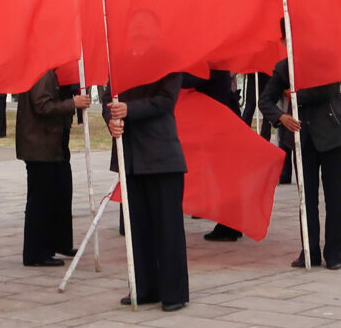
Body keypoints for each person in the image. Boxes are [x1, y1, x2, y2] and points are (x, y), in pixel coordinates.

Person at [104, 73, 189, 312]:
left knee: (167, 228)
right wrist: (111, 117)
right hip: (130, 156)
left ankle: (174, 292)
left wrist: (128, 109)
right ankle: (144, 287)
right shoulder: (120, 61)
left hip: (161, 157)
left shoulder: (167, 60)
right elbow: (107, 98)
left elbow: (165, 100)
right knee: (137, 228)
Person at [260, 20, 341, 269]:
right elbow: (265, 101)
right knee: (306, 199)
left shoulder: (325, 60)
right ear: (284, 42)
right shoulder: (284, 67)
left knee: (335, 198)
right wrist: (280, 117)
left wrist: (294, 94)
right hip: (301, 139)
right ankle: (309, 250)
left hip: (332, 137)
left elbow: (326, 90)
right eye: (288, 40)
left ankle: (335, 252)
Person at [17, 69, 90, 267]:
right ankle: (36, 253)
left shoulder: (49, 71)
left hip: (53, 143)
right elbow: (42, 106)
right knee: (41, 200)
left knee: (61, 193)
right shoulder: (41, 72)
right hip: (41, 145)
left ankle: (60, 242)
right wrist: (72, 104)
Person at [182, 70, 246, 242]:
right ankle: (234, 224)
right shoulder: (217, 61)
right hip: (222, 124)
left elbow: (189, 80)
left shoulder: (213, 64)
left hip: (222, 128)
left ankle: (229, 226)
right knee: (227, 178)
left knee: (225, 178)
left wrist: (168, 73)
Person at [242, 71, 273, 142]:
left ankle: (265, 139)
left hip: (266, 77)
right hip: (254, 76)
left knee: (267, 110)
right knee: (249, 109)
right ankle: (243, 135)